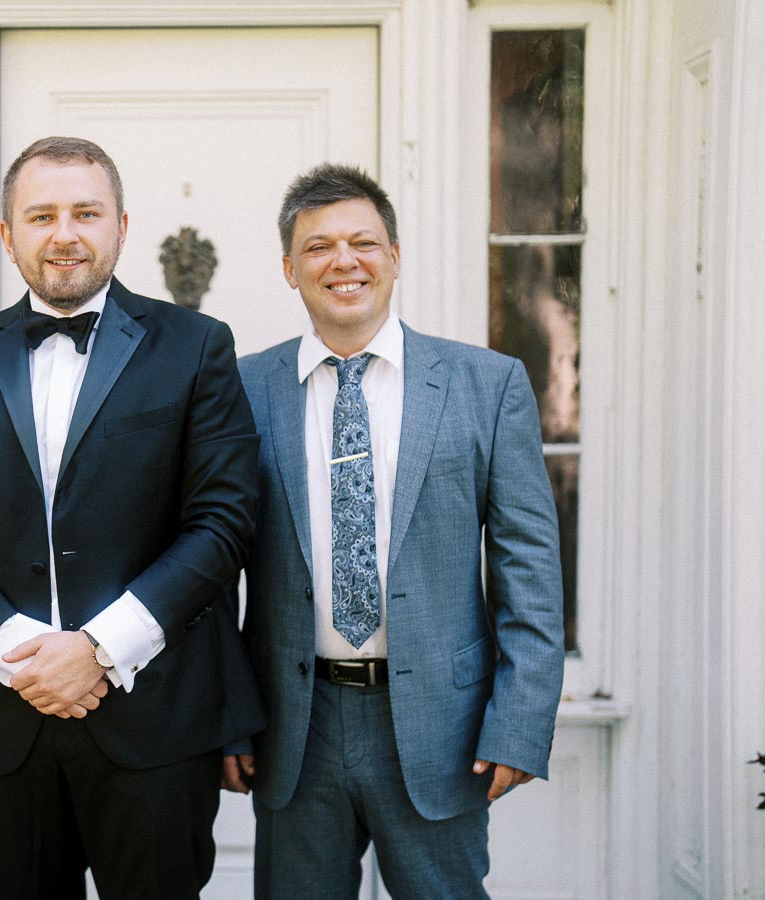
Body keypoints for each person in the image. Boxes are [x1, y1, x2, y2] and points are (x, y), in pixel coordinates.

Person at [0, 136, 263, 900]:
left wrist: (99, 648)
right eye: (42, 215)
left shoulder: (197, 348)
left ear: (121, 227)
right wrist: (24, 653)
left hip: (156, 716)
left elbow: (224, 520)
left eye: (85, 213)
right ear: (8, 235)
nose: (65, 233)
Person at [225, 164, 564, 898]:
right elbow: (213, 567)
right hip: (294, 727)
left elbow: (528, 569)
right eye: (317, 247)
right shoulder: (240, 389)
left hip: (443, 726)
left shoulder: (488, 384)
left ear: (396, 256)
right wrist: (226, 718)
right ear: (289, 268)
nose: (343, 262)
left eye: (363, 242)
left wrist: (520, 721)